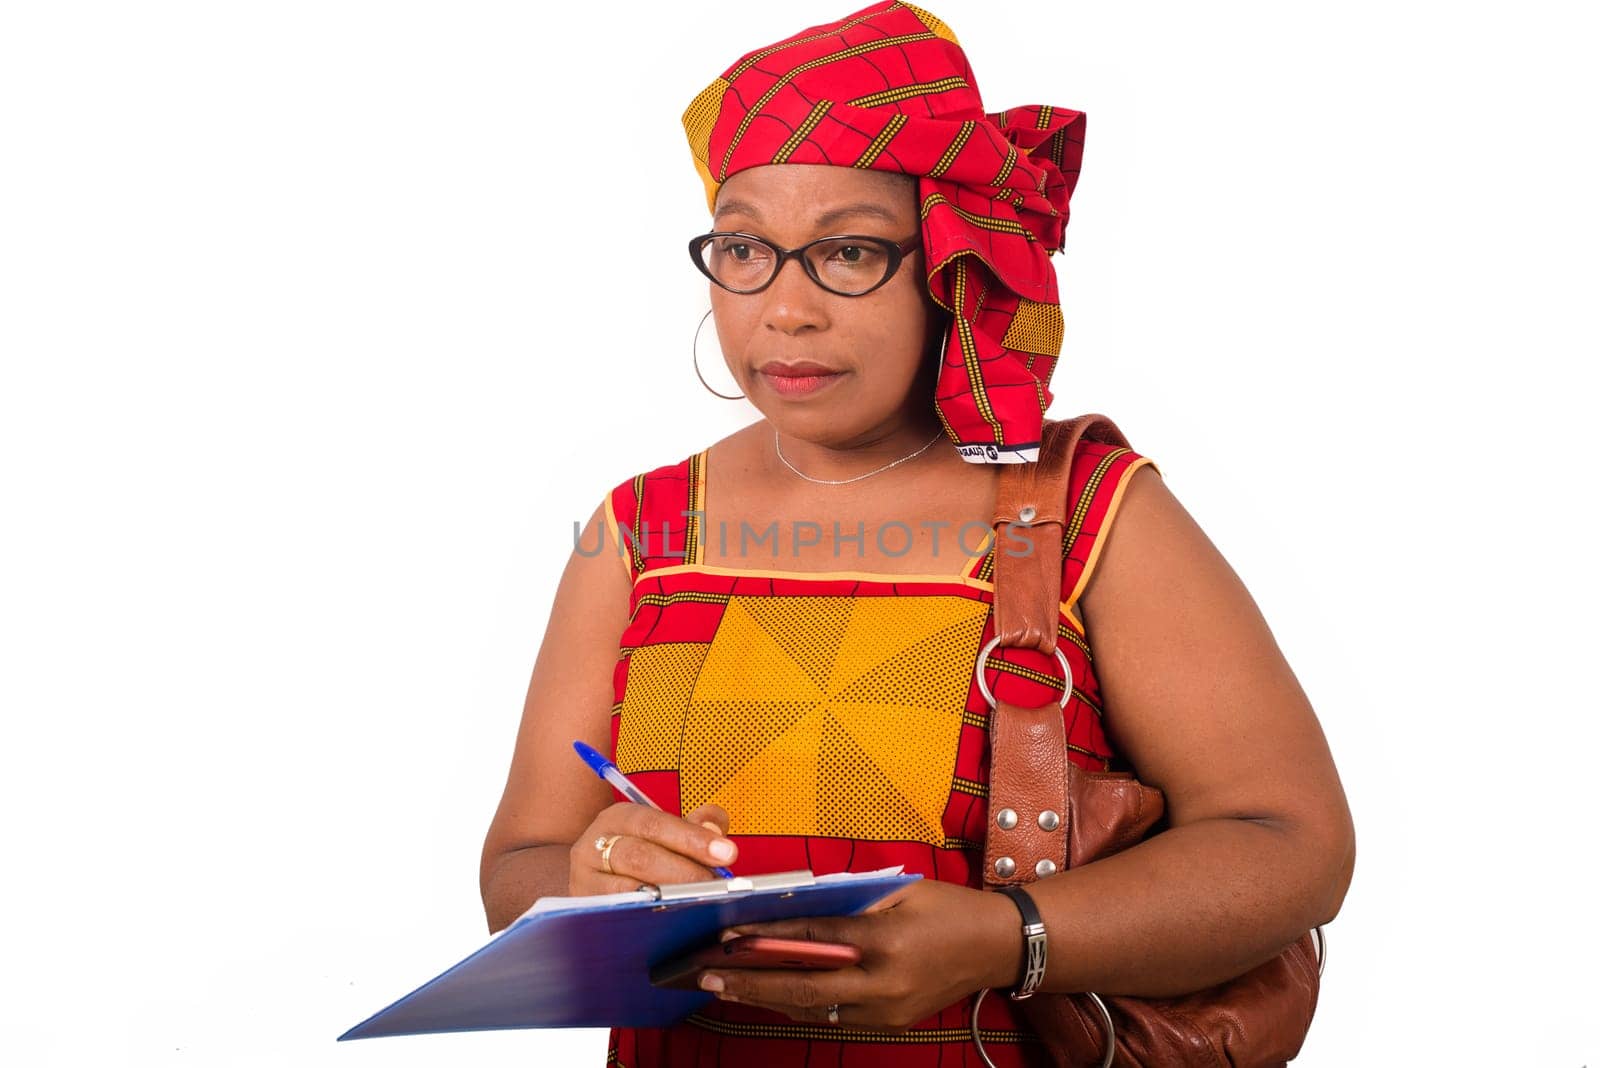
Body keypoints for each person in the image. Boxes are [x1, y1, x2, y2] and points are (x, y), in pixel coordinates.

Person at [479, 3, 1356, 1065]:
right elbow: (519, 864)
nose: (784, 308)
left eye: (845, 250)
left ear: (950, 263)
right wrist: (590, 875)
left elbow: (1291, 847)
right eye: (746, 245)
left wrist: (1007, 938)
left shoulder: (1086, 510)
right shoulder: (638, 528)